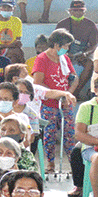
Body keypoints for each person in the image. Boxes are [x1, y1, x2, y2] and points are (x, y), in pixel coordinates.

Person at [34, 29, 79, 169]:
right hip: (49, 103)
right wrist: (58, 94)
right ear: (56, 45)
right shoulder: (42, 59)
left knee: (70, 132)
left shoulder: (64, 58)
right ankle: (50, 162)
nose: (67, 49)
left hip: (66, 102)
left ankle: (73, 162)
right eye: (65, 46)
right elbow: (38, 83)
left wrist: (68, 94)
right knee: (50, 133)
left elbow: (74, 77)